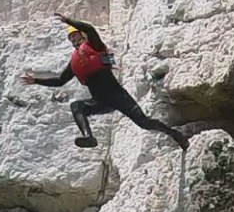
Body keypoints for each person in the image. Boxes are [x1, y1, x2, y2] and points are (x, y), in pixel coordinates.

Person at [20, 16, 190, 150]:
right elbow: (59, 81)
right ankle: (89, 137)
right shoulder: (75, 62)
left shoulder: (94, 45)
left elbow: (90, 28)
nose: (74, 39)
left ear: (82, 35)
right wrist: (35, 81)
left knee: (144, 123)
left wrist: (69, 21)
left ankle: (174, 134)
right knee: (77, 107)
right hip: (101, 101)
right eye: (71, 38)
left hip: (117, 96)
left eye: (76, 35)